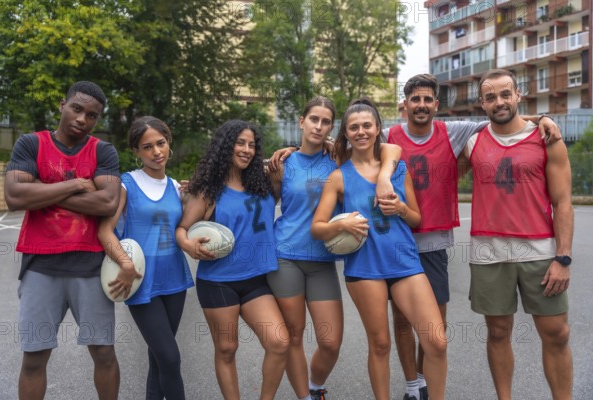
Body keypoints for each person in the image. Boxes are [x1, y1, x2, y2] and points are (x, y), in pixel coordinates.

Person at [382, 73, 562, 400]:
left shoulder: (455, 131)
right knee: (402, 320)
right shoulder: (386, 136)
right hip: (396, 240)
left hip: (434, 240)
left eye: (427, 100)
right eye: (414, 100)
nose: (421, 105)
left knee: (435, 325)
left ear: (436, 105)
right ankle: (414, 386)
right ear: (404, 105)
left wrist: (545, 118)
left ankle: (425, 378)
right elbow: (349, 141)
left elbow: (505, 117)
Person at [310, 98, 447, 400]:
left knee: (436, 341)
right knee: (381, 344)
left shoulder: (397, 169)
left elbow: (415, 218)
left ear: (378, 129)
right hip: (365, 267)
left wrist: (399, 208)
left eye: (366, 125)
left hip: (404, 264)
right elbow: (317, 227)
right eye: (354, 127)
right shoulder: (338, 177)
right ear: (346, 133)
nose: (361, 131)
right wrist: (341, 226)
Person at [267, 96, 401, 400]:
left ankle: (314, 384)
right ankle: (306, 396)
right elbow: (263, 205)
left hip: (323, 260)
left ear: (332, 128)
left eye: (326, 121)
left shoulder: (338, 158)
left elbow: (391, 148)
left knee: (331, 342)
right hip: (285, 255)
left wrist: (381, 175)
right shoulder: (283, 163)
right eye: (313, 119)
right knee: (294, 336)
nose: (318, 125)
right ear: (301, 122)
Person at [4, 81, 121, 399]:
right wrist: (76, 185)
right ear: (62, 105)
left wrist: (43, 190)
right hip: (41, 265)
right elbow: (15, 196)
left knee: (104, 354)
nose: (83, 119)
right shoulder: (32, 144)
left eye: (92, 115)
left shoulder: (102, 151)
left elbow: (107, 203)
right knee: (34, 358)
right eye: (77, 108)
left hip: (90, 267)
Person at [463, 69, 573, 400]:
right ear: (482, 103)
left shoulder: (547, 138)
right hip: (488, 253)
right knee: (498, 333)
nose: (499, 101)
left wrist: (563, 258)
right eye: (491, 96)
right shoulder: (472, 143)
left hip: (539, 253)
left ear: (517, 95)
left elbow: (563, 202)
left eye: (505, 94)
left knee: (556, 333)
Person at [176, 120, 289, 400]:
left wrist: (284, 157)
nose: (246, 150)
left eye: (251, 145)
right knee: (227, 348)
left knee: (279, 343)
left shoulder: (262, 181)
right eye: (240, 143)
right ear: (226, 146)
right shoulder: (207, 190)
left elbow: (304, 152)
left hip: (255, 280)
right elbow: (181, 229)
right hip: (218, 282)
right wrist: (188, 245)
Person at [97, 116, 194, 399]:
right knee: (171, 358)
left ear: (169, 142)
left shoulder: (177, 187)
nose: (156, 152)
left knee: (159, 359)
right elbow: (105, 232)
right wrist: (125, 265)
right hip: (139, 282)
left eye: (160, 143)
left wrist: (193, 197)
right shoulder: (127, 184)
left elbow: (188, 227)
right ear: (137, 152)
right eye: (147, 147)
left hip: (174, 279)